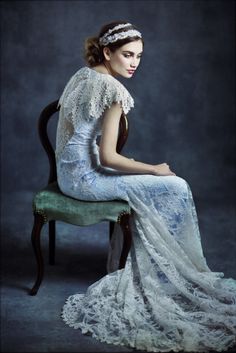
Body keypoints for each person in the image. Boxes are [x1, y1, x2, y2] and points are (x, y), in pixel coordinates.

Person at [56, 21, 236, 352]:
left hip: (68, 174)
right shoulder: (114, 91)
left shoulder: (82, 75)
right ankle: (164, 276)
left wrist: (111, 162)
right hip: (86, 180)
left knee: (154, 183)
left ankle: (156, 264)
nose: (134, 63)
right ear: (107, 52)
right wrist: (153, 170)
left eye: (139, 56)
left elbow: (71, 136)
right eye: (127, 55)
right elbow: (109, 157)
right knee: (176, 186)